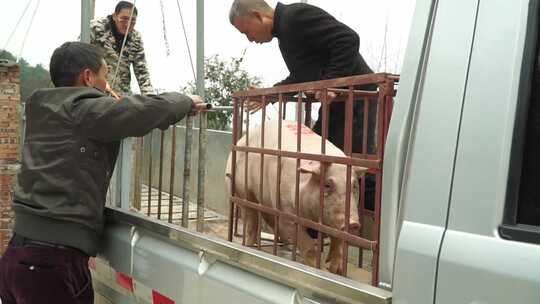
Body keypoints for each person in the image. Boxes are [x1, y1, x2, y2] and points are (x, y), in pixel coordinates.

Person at [0, 42, 204, 304]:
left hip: (18, 255)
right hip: (50, 263)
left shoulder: (41, 108)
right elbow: (141, 111)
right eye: (105, 75)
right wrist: (184, 101)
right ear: (87, 77)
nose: (107, 83)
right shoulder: (84, 110)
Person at [229, 0, 377, 210]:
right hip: (338, 103)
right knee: (319, 163)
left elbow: (348, 38)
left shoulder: (295, 17)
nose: (250, 39)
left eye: (246, 32)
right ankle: (316, 230)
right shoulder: (286, 34)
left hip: (358, 100)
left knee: (357, 167)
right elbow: (300, 77)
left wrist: (331, 82)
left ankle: (375, 234)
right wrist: (270, 94)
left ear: (258, 16)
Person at [90, 1, 153, 96]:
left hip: (121, 94)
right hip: (96, 91)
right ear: (115, 16)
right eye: (124, 19)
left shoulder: (136, 38)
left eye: (132, 21)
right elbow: (80, 54)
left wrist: (150, 99)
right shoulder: (96, 27)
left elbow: (142, 71)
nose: (128, 24)